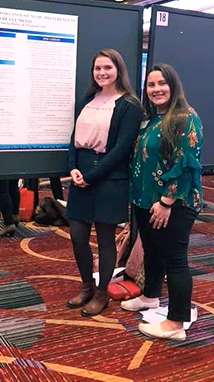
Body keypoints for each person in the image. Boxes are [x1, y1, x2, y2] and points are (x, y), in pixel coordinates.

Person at [121, 63, 203, 341]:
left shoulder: (185, 117)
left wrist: (167, 201)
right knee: (153, 251)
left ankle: (176, 323)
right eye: (151, 85)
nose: (156, 89)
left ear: (173, 85)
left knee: (175, 259)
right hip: (146, 200)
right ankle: (150, 297)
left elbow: (187, 164)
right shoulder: (154, 119)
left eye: (162, 84)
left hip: (174, 203)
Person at [65, 48, 143, 316]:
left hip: (110, 178)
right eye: (97, 68)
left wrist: (91, 177)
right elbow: (74, 137)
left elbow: (121, 150)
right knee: (77, 236)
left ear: (118, 70)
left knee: (106, 239)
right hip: (82, 174)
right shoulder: (89, 98)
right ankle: (87, 286)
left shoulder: (130, 105)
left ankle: (101, 293)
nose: (102, 73)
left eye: (107, 68)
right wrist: (73, 168)